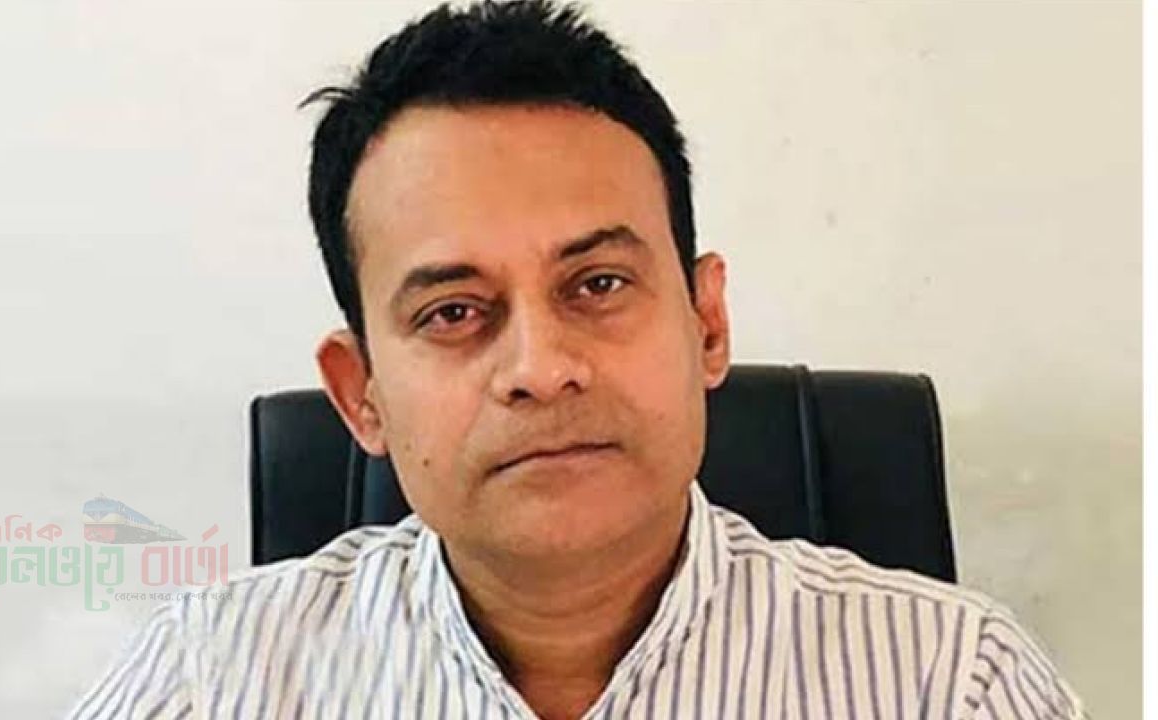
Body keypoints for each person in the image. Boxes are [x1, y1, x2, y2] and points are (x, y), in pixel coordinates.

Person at [68, 1, 1085, 717]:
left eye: (596, 285)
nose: (541, 367)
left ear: (707, 324)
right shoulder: (212, 681)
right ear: (361, 394)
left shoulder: (947, 682)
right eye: (455, 311)